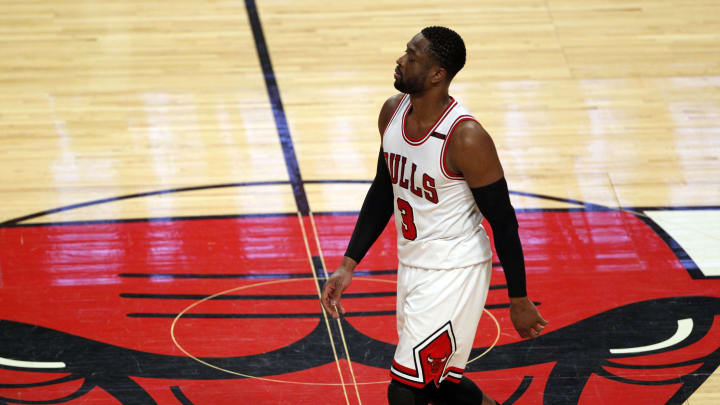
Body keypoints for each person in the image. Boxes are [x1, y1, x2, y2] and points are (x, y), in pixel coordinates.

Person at [320, 26, 547, 405]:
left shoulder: (466, 138)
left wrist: (519, 297)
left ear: (437, 74)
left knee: (404, 387)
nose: (400, 59)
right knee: (438, 383)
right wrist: (348, 264)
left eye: (412, 56)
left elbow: (504, 222)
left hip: (455, 271)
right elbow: (383, 191)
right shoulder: (392, 112)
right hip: (413, 264)